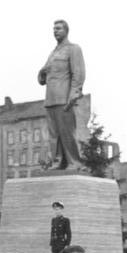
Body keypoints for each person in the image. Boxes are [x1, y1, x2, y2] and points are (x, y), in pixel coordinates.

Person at [37, 19, 86, 171]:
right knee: (54, 135)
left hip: (64, 98)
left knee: (67, 132)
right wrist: (41, 73)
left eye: (58, 28)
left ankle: (74, 162)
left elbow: (78, 72)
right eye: (54, 29)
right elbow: (43, 76)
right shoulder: (53, 53)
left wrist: (74, 93)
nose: (55, 31)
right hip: (50, 98)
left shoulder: (73, 49)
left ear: (66, 31)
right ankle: (58, 161)